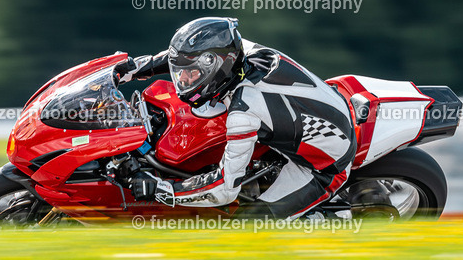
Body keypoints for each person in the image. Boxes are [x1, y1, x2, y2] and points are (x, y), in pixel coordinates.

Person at [115, 17, 357, 219]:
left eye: (191, 74)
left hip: (322, 166)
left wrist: (163, 190)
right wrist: (135, 69)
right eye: (182, 73)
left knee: (246, 229)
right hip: (325, 109)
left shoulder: (244, 110)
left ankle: (324, 223)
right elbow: (178, 56)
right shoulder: (242, 50)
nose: (183, 81)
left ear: (216, 67)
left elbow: (224, 189)